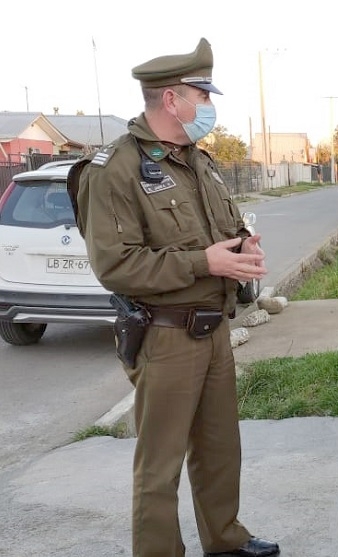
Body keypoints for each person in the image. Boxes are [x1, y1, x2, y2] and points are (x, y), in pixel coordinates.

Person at [71, 38, 279, 557]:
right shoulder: (113, 168)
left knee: (218, 449)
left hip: (214, 331)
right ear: (171, 100)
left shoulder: (198, 161)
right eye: (201, 96)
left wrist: (242, 248)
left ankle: (225, 539)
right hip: (165, 336)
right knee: (159, 465)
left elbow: (222, 230)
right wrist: (204, 262)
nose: (208, 107)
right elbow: (115, 265)